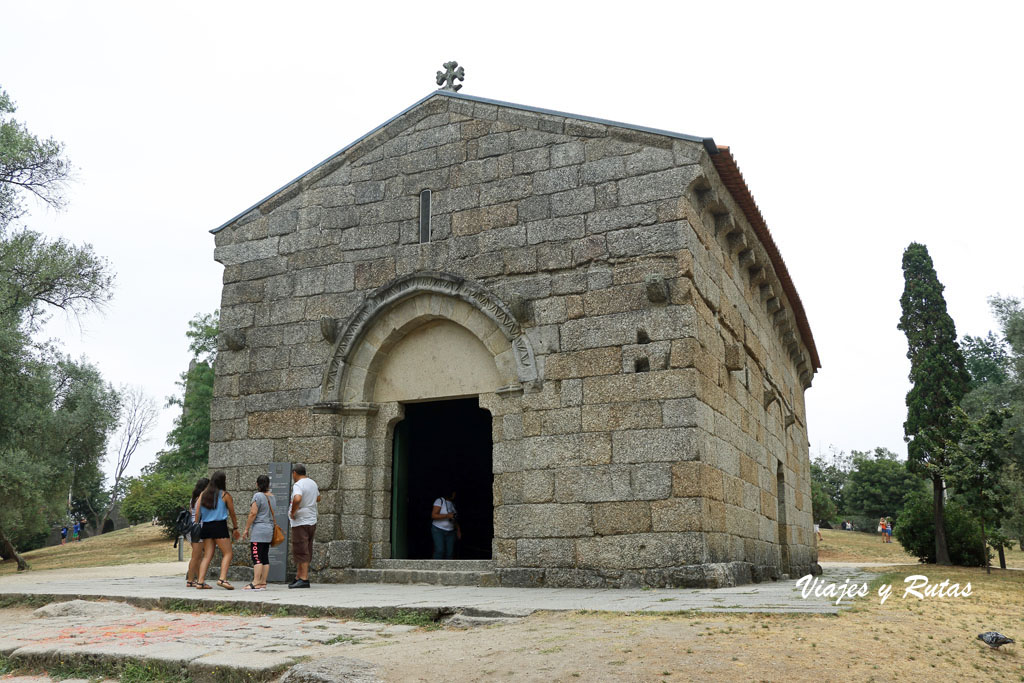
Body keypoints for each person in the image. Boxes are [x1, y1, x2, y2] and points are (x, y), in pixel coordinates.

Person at [193, 471, 240, 590]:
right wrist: (235, 528)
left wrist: (197, 523)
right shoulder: (225, 495)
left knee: (207, 555)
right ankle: (222, 579)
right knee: (228, 553)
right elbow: (232, 513)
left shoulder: (203, 494)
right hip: (219, 526)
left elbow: (197, 513)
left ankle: (200, 581)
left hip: (206, 527)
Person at [288, 464, 320, 589]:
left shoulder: (298, 485)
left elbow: (297, 498)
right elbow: (318, 498)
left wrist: (293, 512)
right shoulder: (312, 483)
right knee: (306, 547)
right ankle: (298, 576)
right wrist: (309, 501)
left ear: (295, 473)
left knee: (301, 549)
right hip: (311, 519)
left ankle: (304, 578)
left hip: (301, 520)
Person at [242, 474, 275, 591]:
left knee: (256, 557)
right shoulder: (272, 497)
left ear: (257, 484)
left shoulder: (257, 496)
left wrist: (246, 528)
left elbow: (253, 513)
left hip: (259, 530)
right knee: (264, 557)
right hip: (269, 530)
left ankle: (255, 582)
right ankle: (263, 582)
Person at [185, 477, 209, 588]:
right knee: (196, 556)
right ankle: (190, 580)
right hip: (198, 528)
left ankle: (199, 580)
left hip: (192, 529)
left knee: (198, 556)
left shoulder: (193, 498)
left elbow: (191, 512)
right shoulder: (202, 497)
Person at [431, 490, 461, 560]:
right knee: (440, 551)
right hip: (438, 530)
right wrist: (447, 515)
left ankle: (448, 569)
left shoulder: (453, 504)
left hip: (451, 532)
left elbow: (454, 519)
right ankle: (435, 568)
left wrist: (458, 530)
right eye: (454, 492)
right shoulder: (440, 501)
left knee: (450, 553)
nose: (455, 494)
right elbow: (433, 515)